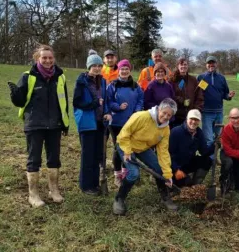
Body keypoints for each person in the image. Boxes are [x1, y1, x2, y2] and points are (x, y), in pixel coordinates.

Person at [9, 44, 69, 207]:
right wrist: (15, 96)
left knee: (54, 159)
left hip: (55, 125)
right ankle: (33, 194)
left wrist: (65, 122)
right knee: (33, 159)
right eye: (44, 58)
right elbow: (21, 101)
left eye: (50, 57)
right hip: (34, 124)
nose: (48, 60)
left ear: (54, 58)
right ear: (37, 59)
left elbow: (63, 101)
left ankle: (54, 190)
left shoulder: (60, 77)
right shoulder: (28, 77)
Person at [113, 98, 178, 215]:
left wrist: (168, 174)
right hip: (125, 144)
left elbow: (163, 152)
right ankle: (119, 198)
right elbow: (124, 134)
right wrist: (127, 151)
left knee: (160, 169)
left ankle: (165, 197)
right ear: (159, 109)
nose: (165, 116)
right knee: (133, 174)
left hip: (142, 148)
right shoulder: (141, 117)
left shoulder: (165, 129)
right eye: (164, 113)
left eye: (169, 115)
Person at [73, 51, 112, 195]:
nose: (96, 68)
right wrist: (94, 103)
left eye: (99, 65)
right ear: (89, 66)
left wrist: (107, 112)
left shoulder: (102, 81)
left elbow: (106, 100)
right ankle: (86, 185)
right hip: (87, 123)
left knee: (98, 155)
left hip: (100, 123)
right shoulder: (82, 81)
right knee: (87, 155)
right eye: (94, 65)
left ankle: (95, 184)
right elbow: (77, 102)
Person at [106, 59, 144, 187]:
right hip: (116, 123)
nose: (124, 71)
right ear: (119, 70)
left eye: (126, 68)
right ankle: (117, 175)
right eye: (122, 69)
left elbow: (140, 99)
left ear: (129, 70)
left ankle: (125, 172)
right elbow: (108, 101)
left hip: (131, 122)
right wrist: (118, 107)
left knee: (129, 148)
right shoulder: (112, 85)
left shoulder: (135, 85)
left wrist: (137, 111)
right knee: (118, 149)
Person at [197, 56, 235, 145]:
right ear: (206, 65)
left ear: (216, 64)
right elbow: (197, 93)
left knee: (218, 138)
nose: (211, 65)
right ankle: (210, 159)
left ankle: (215, 157)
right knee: (208, 139)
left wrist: (229, 96)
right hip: (206, 113)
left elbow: (225, 94)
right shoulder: (201, 77)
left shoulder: (222, 78)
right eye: (209, 63)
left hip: (219, 113)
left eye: (213, 63)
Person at [169, 109, 213, 187]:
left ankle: (196, 185)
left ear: (199, 121)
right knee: (184, 184)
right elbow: (168, 154)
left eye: (196, 120)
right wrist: (176, 170)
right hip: (174, 166)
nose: (193, 122)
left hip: (188, 163)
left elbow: (204, 151)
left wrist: (215, 145)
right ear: (187, 119)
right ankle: (183, 181)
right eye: (191, 119)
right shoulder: (176, 132)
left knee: (207, 161)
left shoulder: (199, 133)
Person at [169, 57, 204, 128]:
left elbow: (199, 96)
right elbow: (168, 95)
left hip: (190, 116)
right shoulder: (172, 80)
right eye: (181, 64)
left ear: (187, 66)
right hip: (176, 115)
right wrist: (179, 99)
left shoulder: (193, 80)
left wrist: (196, 109)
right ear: (178, 66)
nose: (183, 66)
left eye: (185, 64)